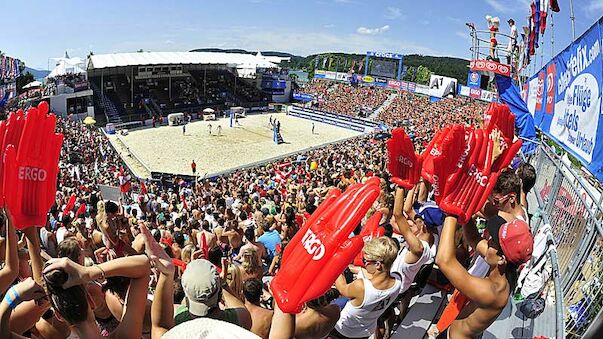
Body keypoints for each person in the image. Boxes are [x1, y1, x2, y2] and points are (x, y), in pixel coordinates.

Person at [435, 214, 533, 339]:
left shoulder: (492, 291)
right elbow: (474, 238)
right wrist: (465, 215)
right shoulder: (504, 271)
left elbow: (444, 261)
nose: (488, 241)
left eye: (493, 242)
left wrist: (451, 214)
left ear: (501, 259)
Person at [332, 236, 401, 339]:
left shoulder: (361, 286)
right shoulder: (398, 281)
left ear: (378, 264)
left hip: (344, 329)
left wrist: (337, 262)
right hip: (365, 331)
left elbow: (342, 288)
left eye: (365, 260)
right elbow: (375, 277)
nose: (364, 264)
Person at [174, 259, 252, 330]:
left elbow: (188, 295)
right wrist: (223, 284)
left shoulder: (178, 318)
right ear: (219, 292)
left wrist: (193, 277)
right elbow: (243, 312)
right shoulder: (235, 320)